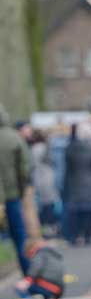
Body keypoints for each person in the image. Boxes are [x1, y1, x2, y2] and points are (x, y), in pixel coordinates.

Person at [0, 105, 31, 274]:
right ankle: (27, 272)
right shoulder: (14, 137)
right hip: (12, 195)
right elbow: (24, 168)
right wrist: (21, 190)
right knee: (19, 235)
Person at [63, 122, 91, 245]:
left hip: (74, 183)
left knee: (75, 213)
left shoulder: (70, 148)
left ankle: (74, 236)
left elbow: (67, 169)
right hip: (90, 183)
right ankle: (88, 236)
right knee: (88, 212)